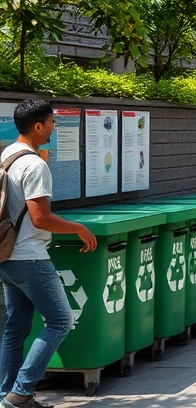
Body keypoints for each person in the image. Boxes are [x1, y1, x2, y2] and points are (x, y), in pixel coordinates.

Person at [0, 100, 97, 408]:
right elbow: (40, 217)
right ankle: (21, 392)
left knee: (16, 328)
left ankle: (6, 395)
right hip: (29, 256)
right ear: (38, 126)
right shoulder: (35, 165)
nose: (55, 127)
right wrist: (78, 228)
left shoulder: (7, 155)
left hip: (7, 255)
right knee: (60, 320)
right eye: (53, 122)